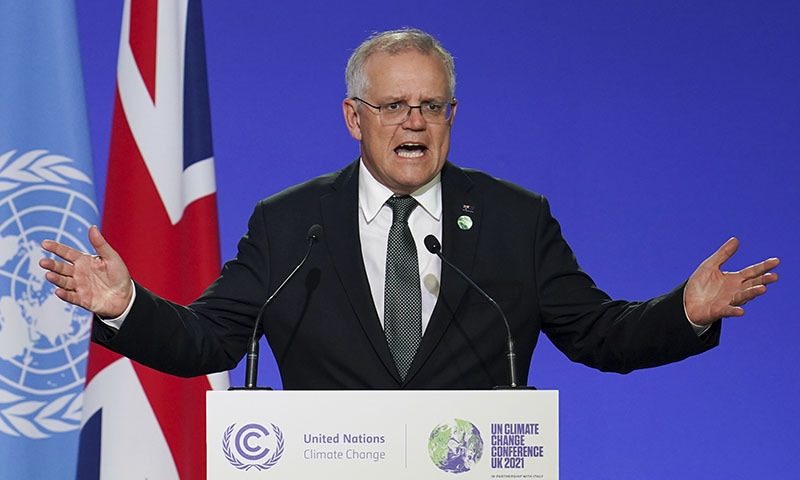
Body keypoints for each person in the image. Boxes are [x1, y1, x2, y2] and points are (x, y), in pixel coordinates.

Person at [40, 28, 779, 390]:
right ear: (353, 118)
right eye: (393, 105)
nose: (415, 123)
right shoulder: (292, 223)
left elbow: (598, 335)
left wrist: (683, 311)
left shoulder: (514, 221)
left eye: (431, 105)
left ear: (452, 116)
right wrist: (127, 304)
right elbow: (211, 340)